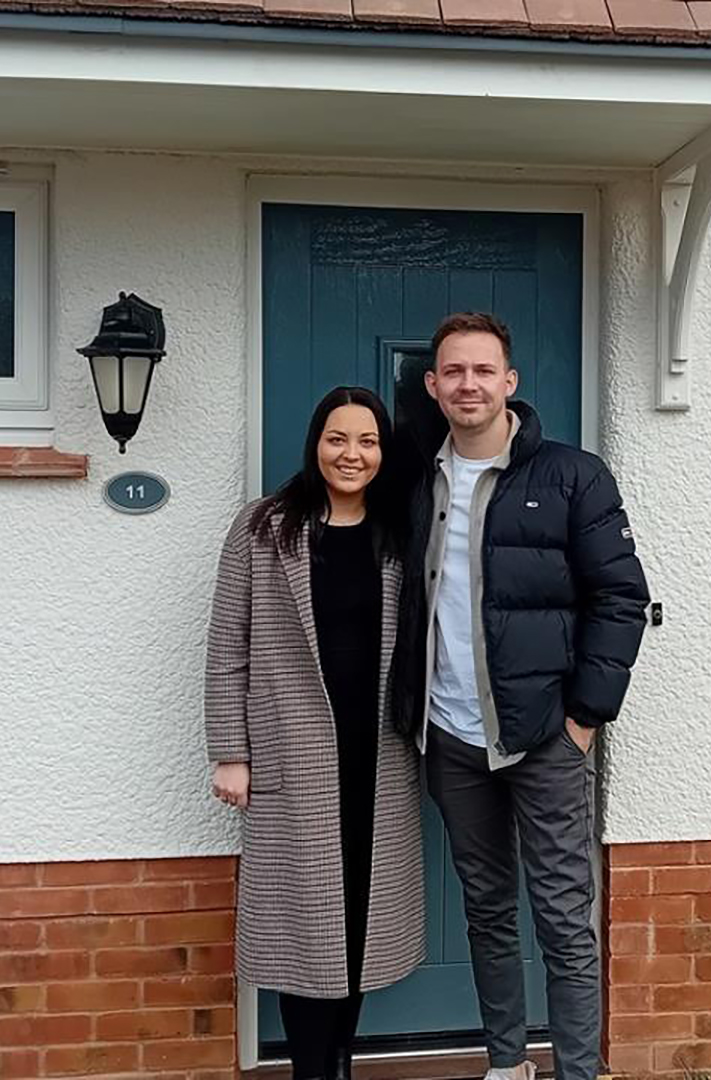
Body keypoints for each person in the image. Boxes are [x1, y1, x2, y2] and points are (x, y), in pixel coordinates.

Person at [401, 312, 649, 1080]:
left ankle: (578, 1072)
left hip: (545, 739)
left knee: (565, 921)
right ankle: (507, 1064)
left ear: (509, 382)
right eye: (454, 371)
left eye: (484, 370)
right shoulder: (415, 478)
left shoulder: (573, 476)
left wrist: (584, 719)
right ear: (434, 385)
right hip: (451, 737)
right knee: (486, 911)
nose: (468, 384)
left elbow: (621, 598)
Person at [204, 387, 425, 1080]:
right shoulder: (264, 527)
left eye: (367, 441)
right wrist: (230, 753)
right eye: (338, 439)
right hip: (291, 757)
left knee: (360, 918)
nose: (351, 454)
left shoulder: (402, 529)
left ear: (383, 453)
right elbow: (227, 644)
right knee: (307, 927)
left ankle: (341, 1061)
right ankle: (310, 1070)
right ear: (315, 443)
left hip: (381, 754)